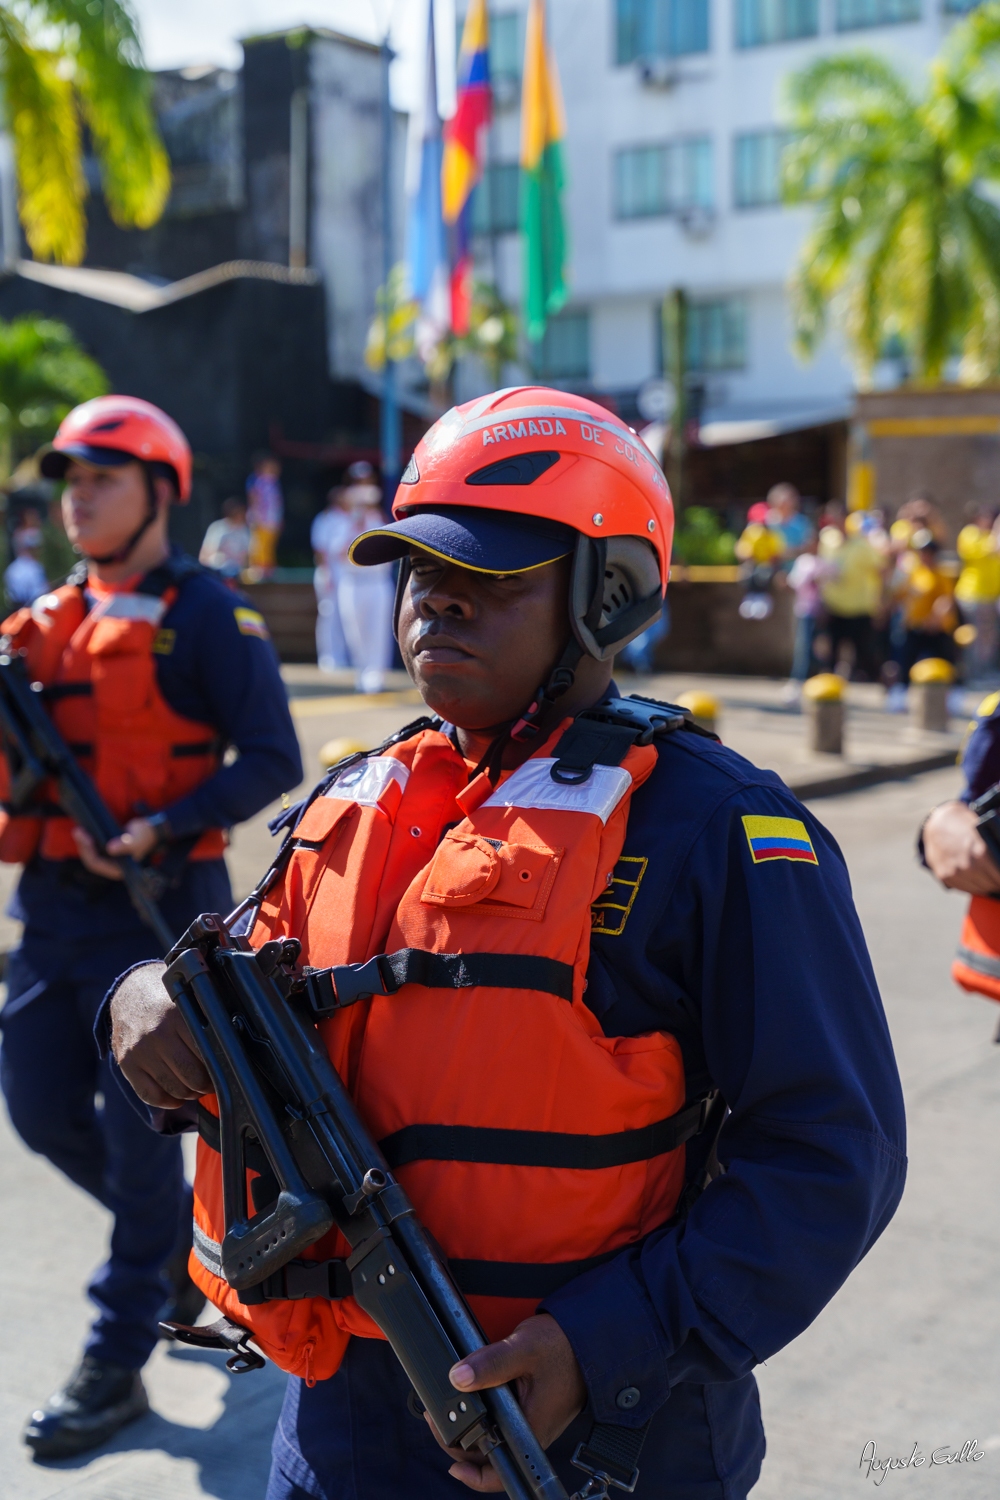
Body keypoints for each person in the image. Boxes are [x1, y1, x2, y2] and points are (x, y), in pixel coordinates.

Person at [106, 387, 905, 1500]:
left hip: (599, 1446)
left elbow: (833, 1157)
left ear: (610, 591)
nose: (439, 602)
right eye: (421, 572)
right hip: (337, 1435)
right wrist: (138, 1001)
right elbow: (233, 989)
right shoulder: (357, 795)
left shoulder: (714, 829)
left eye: (491, 576)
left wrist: (605, 1343)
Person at [0, 396, 303, 1459]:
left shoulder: (210, 614)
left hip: (158, 922)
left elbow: (271, 758)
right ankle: (173, 1245)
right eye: (69, 481)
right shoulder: (32, 628)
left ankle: (117, 1352)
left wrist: (160, 827)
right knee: (35, 1107)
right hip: (49, 914)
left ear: (160, 492)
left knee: (140, 1151)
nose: (77, 497)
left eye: (102, 478)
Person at [329, 460, 395, 694]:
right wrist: (355, 521)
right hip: (353, 582)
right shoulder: (340, 521)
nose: (362, 487)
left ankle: (376, 675)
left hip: (376, 582)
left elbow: (387, 547)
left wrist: (367, 516)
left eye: (366, 482)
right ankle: (362, 672)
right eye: (358, 482)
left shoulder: (380, 519)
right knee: (355, 633)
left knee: (377, 631)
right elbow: (337, 552)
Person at [817, 507, 884, 680]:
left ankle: (882, 687)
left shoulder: (862, 544)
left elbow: (880, 570)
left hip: (859, 606)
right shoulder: (827, 540)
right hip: (834, 604)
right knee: (831, 651)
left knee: (865, 652)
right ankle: (829, 687)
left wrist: (879, 599)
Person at [891, 529, 958, 686]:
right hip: (916, 626)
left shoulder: (941, 574)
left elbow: (946, 601)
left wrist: (935, 619)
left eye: (927, 552)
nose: (923, 555)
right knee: (906, 659)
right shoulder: (913, 573)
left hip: (936, 629)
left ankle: (951, 692)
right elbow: (901, 597)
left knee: (943, 661)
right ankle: (902, 689)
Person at [954, 505, 1000, 684]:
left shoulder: (989, 536)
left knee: (988, 637)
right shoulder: (970, 534)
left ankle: (983, 672)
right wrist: (998, 527)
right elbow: (993, 549)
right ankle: (974, 675)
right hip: (973, 594)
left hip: (988, 596)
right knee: (976, 637)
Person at [310, 486, 350, 672]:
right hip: (330, 572)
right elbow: (320, 550)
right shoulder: (324, 518)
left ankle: (343, 658)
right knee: (329, 615)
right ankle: (328, 659)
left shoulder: (350, 518)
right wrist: (326, 573)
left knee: (346, 617)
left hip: (347, 574)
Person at [246, 452, 284, 576]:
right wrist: (255, 515)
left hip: (272, 520)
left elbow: (277, 502)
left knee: (269, 545)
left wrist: (279, 519)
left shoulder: (274, 482)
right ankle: (258, 569)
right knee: (259, 545)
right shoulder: (257, 480)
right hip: (260, 519)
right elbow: (253, 498)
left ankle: (269, 569)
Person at [4, 508, 48, 606]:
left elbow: (37, 549)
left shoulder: (37, 532)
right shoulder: (19, 532)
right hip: (22, 564)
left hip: (31, 565)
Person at [199, 496, 251, 579]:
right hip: (217, 572)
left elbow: (246, 558)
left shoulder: (244, 531)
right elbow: (204, 556)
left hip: (237, 574)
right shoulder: (217, 528)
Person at [767, 481, 813, 560]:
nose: (783, 504)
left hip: (798, 566)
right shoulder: (766, 521)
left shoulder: (803, 522)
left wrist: (788, 553)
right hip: (770, 568)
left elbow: (809, 547)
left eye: (786, 501)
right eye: (779, 500)